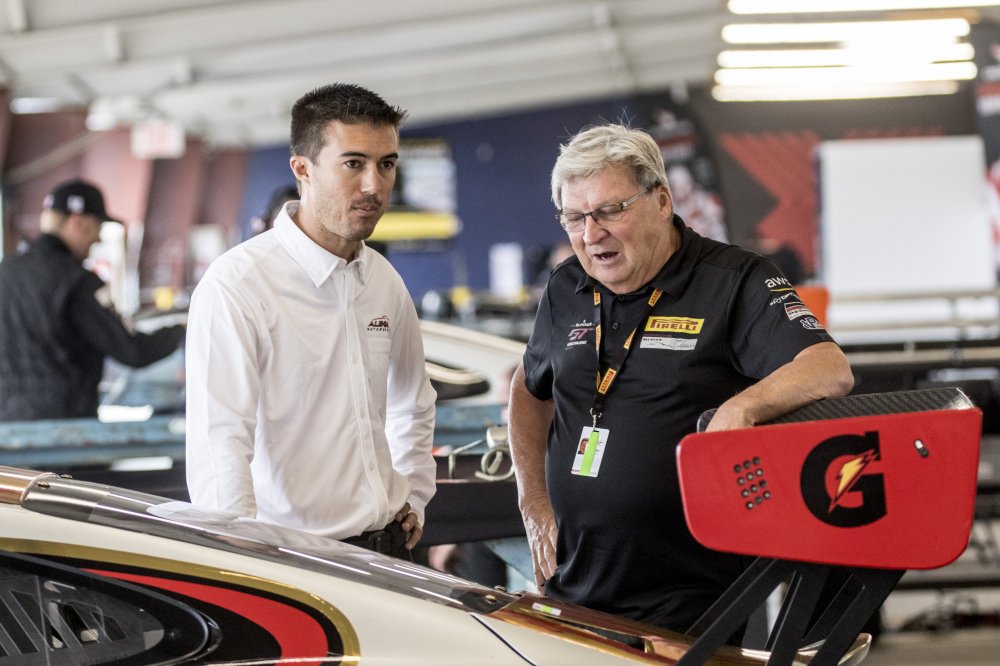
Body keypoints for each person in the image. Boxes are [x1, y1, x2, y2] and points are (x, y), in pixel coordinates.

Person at [508, 124, 854, 635]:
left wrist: (743, 407)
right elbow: (528, 387)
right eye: (575, 217)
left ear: (662, 200)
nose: (591, 234)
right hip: (574, 590)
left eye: (610, 210)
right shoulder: (566, 286)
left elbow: (828, 366)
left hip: (694, 602)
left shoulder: (735, 280)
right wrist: (534, 502)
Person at [185, 83, 436, 559]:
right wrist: (240, 560)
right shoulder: (238, 285)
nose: (374, 186)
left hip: (390, 551)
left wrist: (416, 496)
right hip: (297, 561)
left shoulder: (383, 279)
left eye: (386, 165)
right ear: (302, 169)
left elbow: (414, 403)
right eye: (353, 164)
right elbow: (220, 443)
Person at [0, 180, 186, 421]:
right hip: (64, 430)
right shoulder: (77, 282)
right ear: (77, 221)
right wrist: (181, 331)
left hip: (6, 428)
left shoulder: (5, 272)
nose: (98, 239)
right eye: (97, 227)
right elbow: (133, 351)